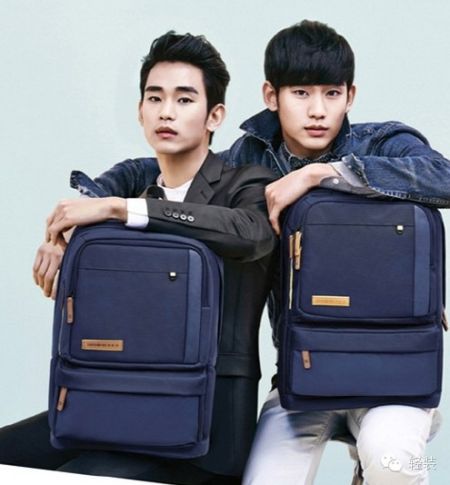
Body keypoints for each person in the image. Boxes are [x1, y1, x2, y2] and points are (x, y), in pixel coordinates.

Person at [67, 20, 450, 485]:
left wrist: (320, 174)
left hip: (398, 377)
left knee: (395, 464)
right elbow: (169, 166)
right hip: (302, 378)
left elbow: (444, 177)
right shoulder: (251, 157)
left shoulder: (381, 142)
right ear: (271, 95)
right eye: (301, 93)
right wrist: (87, 206)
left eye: (332, 94)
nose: (317, 110)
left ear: (350, 96)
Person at [0, 31, 277, 485]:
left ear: (215, 115)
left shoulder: (246, 184)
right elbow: (97, 195)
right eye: (155, 98)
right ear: (140, 110)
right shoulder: (135, 181)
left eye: (184, 99)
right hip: (118, 402)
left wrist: (121, 209)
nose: (166, 111)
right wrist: (61, 234)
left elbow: (250, 234)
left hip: (207, 431)